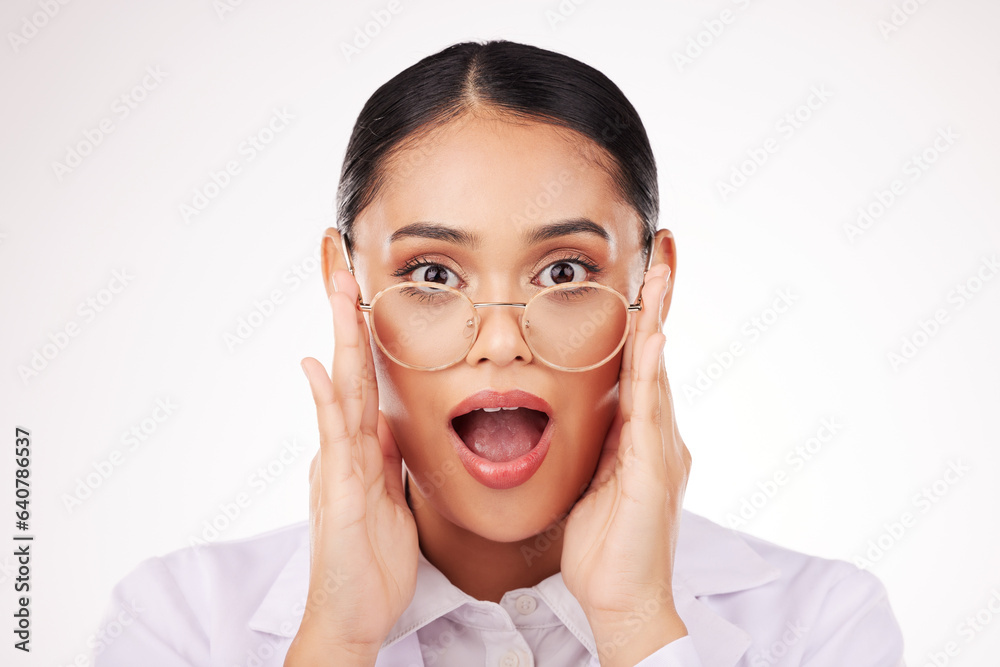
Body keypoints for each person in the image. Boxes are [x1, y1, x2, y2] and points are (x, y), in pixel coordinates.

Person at [94, 40, 906, 666]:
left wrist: (637, 622)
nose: (501, 340)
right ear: (345, 286)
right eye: (433, 273)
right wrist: (337, 638)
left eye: (564, 271)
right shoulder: (177, 621)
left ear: (651, 283)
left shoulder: (824, 622)